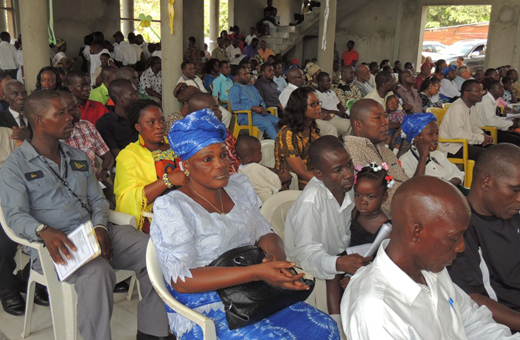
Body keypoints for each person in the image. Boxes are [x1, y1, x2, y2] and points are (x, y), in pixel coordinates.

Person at [151, 108, 340, 340]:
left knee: (325, 326)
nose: (220, 165)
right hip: (209, 302)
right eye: (207, 159)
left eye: (223, 155)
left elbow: (264, 233)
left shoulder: (238, 186)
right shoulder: (173, 208)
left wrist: (275, 260)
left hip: (254, 287)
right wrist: (257, 273)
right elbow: (182, 280)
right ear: (187, 166)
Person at [0, 90, 172, 340]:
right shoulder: (15, 166)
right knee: (97, 272)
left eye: (68, 112)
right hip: (57, 245)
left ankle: (152, 331)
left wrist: (101, 227)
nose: (70, 118)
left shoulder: (78, 157)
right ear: (39, 121)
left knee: (154, 250)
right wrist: (42, 231)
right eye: (60, 114)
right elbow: (14, 215)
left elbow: (96, 200)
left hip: (96, 232)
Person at [341, 176, 520, 339]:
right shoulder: (377, 313)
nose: (461, 247)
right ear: (417, 233)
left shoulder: (431, 269)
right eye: (453, 238)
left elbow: (475, 321)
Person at [285, 135, 371, 337]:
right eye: (338, 170)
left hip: (341, 257)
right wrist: (340, 264)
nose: (348, 174)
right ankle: (339, 328)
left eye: (349, 164)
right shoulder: (311, 203)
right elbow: (307, 255)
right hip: (311, 271)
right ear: (319, 175)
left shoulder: (346, 189)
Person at [448, 144, 520, 332]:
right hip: (506, 324)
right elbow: (471, 298)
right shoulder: (463, 229)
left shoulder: (511, 212)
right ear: (486, 182)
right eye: (515, 189)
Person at [114, 100, 184, 233]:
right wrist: (168, 180)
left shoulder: (177, 146)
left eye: (162, 120)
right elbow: (127, 198)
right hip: (158, 218)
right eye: (151, 122)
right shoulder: (129, 155)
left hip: (190, 204)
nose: (159, 126)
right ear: (138, 127)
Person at [343, 99, 408, 217]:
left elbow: (403, 180)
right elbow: (379, 202)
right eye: (378, 118)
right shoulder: (352, 153)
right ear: (358, 125)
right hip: (394, 217)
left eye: (385, 116)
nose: (385, 122)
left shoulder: (383, 148)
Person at [60, 91, 113, 187]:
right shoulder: (54, 136)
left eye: (77, 106)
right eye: (72, 109)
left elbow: (107, 156)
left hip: (94, 182)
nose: (78, 111)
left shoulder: (87, 126)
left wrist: (104, 172)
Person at [399, 113, 464, 186]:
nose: (436, 138)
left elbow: (459, 175)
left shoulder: (438, 155)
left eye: (437, 133)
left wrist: (445, 186)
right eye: (431, 134)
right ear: (416, 138)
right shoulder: (405, 161)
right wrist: (423, 157)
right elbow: (415, 187)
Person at [275, 87, 320, 189]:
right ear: (300, 107)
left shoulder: (312, 127)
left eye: (318, 103)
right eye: (313, 104)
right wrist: (328, 181)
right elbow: (301, 172)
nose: (318, 107)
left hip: (313, 174)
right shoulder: (287, 134)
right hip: (293, 181)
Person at [439, 79, 493, 160]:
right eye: (478, 91)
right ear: (466, 93)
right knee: (488, 155)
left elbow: (474, 127)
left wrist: (483, 135)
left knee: (496, 150)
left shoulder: (471, 106)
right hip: (452, 147)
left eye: (482, 90)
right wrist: (480, 138)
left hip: (464, 143)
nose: (481, 94)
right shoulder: (457, 107)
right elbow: (457, 134)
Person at [228, 66, 280, 139]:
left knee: (279, 122)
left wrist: (262, 107)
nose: (247, 76)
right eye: (244, 74)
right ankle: (280, 145)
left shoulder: (252, 87)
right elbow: (234, 106)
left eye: (248, 73)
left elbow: (261, 100)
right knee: (267, 123)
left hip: (260, 113)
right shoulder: (235, 89)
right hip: (246, 117)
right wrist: (252, 108)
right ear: (237, 77)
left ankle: (285, 141)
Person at [236, 135, 291, 202]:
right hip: (267, 202)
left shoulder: (241, 168)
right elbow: (276, 183)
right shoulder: (255, 169)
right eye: (259, 152)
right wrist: (283, 178)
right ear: (249, 158)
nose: (261, 153)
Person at [350, 163, 391, 248]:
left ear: (384, 196)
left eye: (371, 197)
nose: (362, 201)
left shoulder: (386, 229)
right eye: (358, 195)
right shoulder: (355, 212)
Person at [96, 79, 140, 158]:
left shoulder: (139, 116)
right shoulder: (105, 123)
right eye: (133, 94)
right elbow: (117, 155)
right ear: (120, 99)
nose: (137, 97)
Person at [474, 79, 520, 145]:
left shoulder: (493, 100)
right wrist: (510, 123)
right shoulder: (486, 101)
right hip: (485, 131)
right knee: (516, 139)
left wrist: (510, 120)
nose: (502, 90)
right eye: (499, 88)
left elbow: (494, 118)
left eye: (502, 87)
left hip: (491, 128)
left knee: (516, 135)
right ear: (491, 90)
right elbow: (491, 122)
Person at [315, 72, 351, 136]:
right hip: (329, 117)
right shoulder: (316, 94)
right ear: (320, 83)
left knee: (352, 124)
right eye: (327, 81)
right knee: (349, 124)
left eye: (330, 80)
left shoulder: (331, 92)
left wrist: (342, 112)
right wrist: (336, 112)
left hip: (338, 115)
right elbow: (320, 108)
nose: (330, 83)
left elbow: (339, 104)